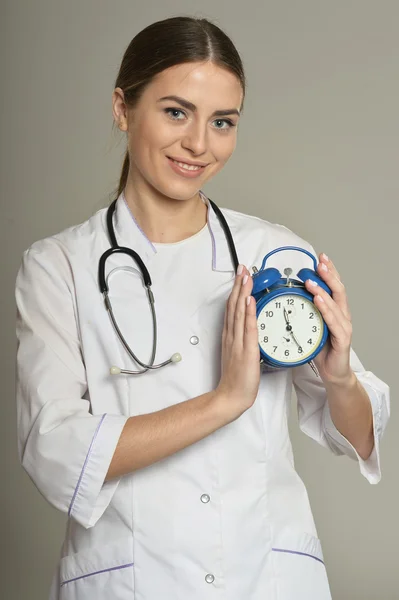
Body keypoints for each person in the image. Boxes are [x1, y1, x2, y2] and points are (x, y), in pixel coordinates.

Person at [15, 16, 389, 600]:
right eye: (175, 112)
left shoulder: (273, 251)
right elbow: (55, 451)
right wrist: (225, 401)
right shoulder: (58, 266)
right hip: (134, 581)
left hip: (268, 576)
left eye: (222, 122)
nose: (199, 144)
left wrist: (339, 377)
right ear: (122, 108)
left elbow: (359, 437)